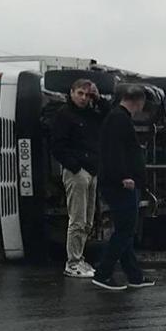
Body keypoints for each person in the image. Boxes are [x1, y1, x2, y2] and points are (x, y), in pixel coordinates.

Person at [91, 81, 155, 292]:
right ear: (139, 102)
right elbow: (115, 152)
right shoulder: (120, 120)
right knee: (125, 230)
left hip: (116, 182)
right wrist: (124, 177)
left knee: (124, 230)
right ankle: (103, 272)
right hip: (121, 185)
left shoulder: (115, 117)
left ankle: (134, 275)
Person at [47, 77, 104, 278]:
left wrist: (98, 98)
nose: (83, 98)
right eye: (79, 93)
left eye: (87, 94)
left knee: (88, 220)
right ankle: (72, 262)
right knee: (77, 219)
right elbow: (57, 146)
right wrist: (75, 167)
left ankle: (80, 258)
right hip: (76, 171)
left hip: (92, 170)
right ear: (72, 93)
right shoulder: (64, 115)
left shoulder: (92, 114)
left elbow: (108, 115)